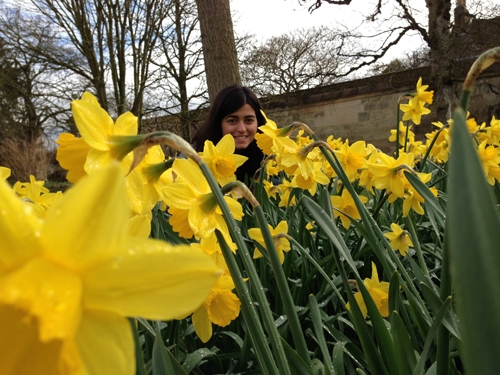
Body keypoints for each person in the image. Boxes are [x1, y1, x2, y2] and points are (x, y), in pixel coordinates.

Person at [192, 84, 267, 183]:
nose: (242, 129)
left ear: (258, 122)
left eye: (249, 120)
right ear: (218, 123)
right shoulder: (193, 154)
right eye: (232, 121)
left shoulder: (267, 158)